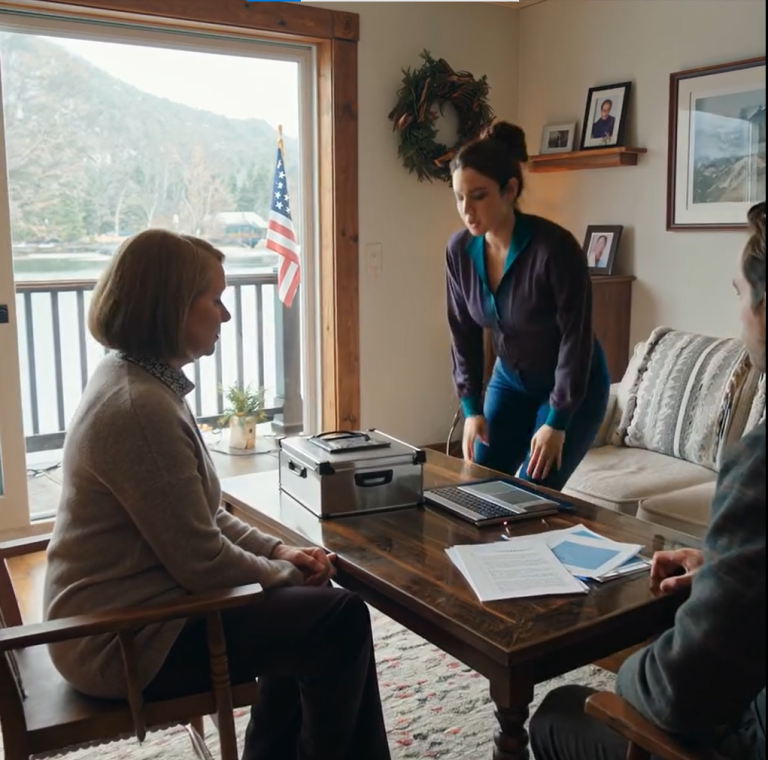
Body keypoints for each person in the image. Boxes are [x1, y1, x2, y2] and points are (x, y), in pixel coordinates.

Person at [43, 229, 391, 760]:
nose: (225, 315)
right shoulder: (140, 409)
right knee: (336, 620)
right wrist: (288, 575)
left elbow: (203, 516)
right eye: (215, 299)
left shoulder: (142, 382)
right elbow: (202, 561)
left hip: (141, 614)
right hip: (120, 643)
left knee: (309, 611)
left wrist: (277, 554)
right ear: (172, 307)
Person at [529, 200, 767, 760]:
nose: (737, 315)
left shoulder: (757, 467)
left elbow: (675, 693)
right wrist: (724, 571)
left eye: (739, 295)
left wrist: (635, 660)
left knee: (558, 711)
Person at [447, 122, 610, 491]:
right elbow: (463, 332)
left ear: (510, 190)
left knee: (532, 493)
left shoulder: (555, 249)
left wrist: (556, 421)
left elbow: (576, 339)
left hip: (573, 385)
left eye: (478, 196)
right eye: (459, 197)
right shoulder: (459, 250)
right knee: (478, 484)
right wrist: (471, 409)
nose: (467, 210)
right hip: (510, 381)